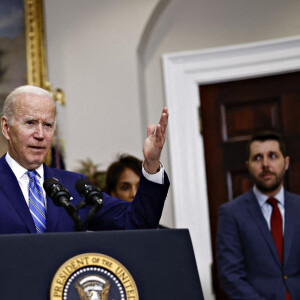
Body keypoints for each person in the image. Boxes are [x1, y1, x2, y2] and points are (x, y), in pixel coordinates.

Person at [0, 85, 170, 234]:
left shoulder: (74, 186)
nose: (40, 135)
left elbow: (137, 222)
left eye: (47, 125)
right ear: (6, 128)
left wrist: (151, 163)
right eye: (30, 123)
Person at [216, 131, 300, 300]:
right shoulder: (231, 213)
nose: (266, 164)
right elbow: (230, 276)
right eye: (257, 158)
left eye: (273, 156)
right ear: (248, 165)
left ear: (286, 163)